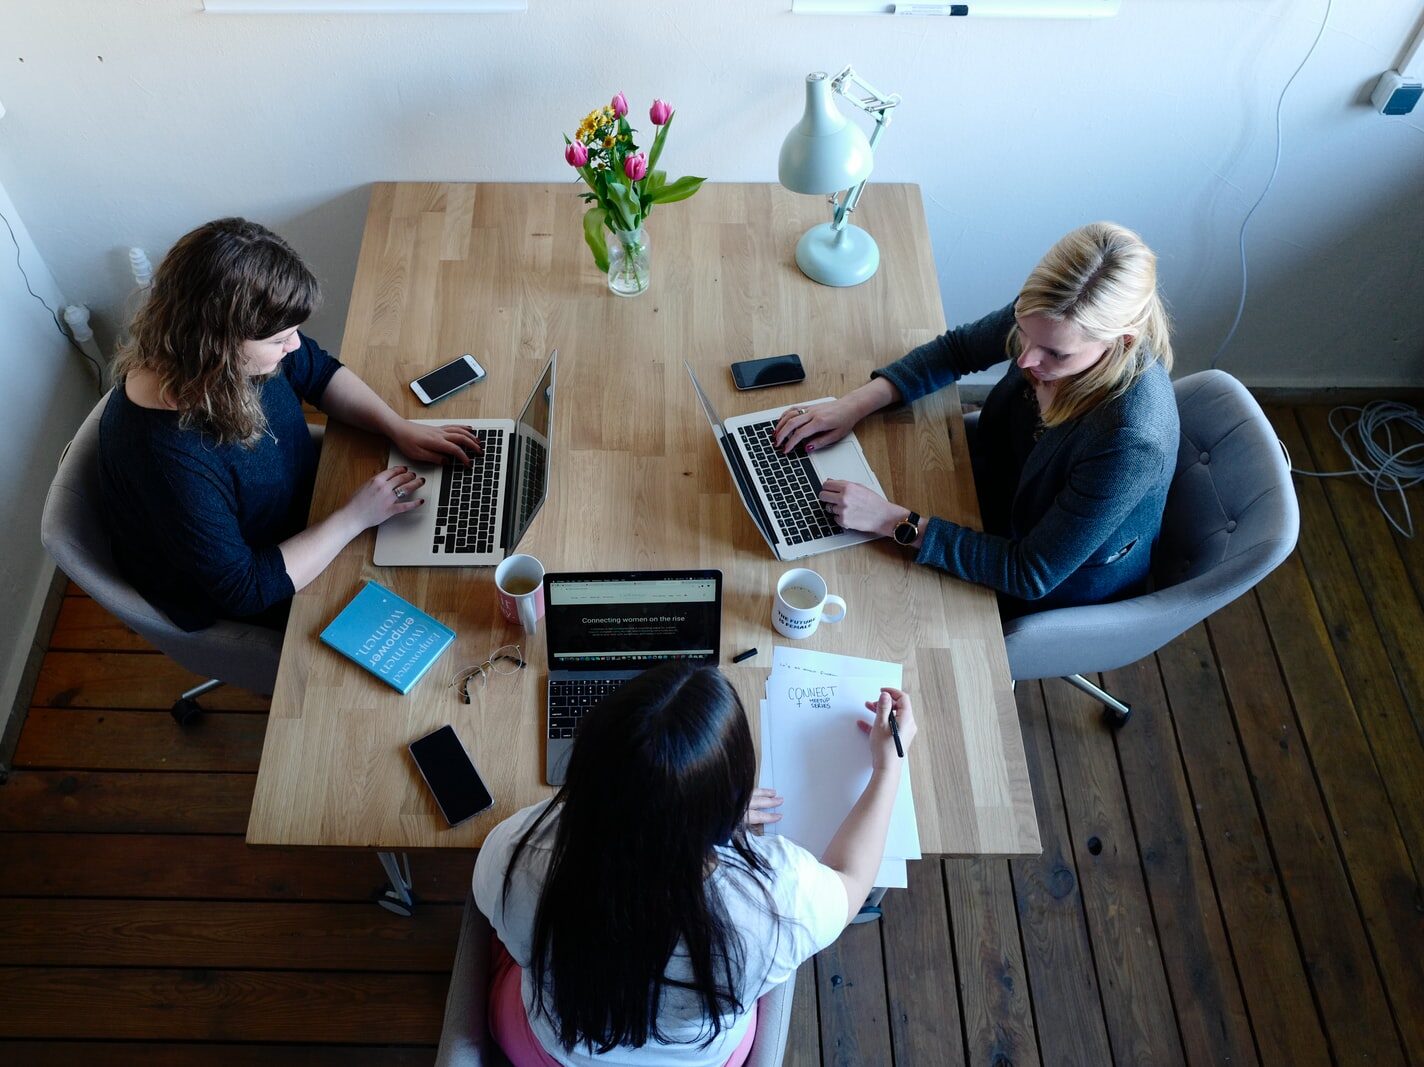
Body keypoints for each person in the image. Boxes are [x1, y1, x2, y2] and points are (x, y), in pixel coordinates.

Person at [472, 662, 916, 1066]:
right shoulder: (776, 901)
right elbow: (852, 880)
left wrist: (676, 807)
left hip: (551, 1050)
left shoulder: (515, 853)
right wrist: (887, 767)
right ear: (729, 808)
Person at [774, 221, 1178, 615]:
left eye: (1055, 354)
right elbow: (958, 351)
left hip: (1046, 583)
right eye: (1023, 331)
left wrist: (891, 519)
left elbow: (1029, 572)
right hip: (992, 489)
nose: (1025, 359)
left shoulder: (1129, 441)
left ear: (1121, 341)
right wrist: (852, 406)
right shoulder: (1051, 313)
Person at [99, 217, 481, 632]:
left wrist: (397, 426)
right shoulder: (166, 459)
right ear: (218, 344)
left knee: (448, 550)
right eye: (280, 340)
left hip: (313, 504)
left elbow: (317, 372)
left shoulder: (221, 360)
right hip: (266, 578)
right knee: (439, 603)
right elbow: (243, 589)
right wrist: (354, 518)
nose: (294, 346)